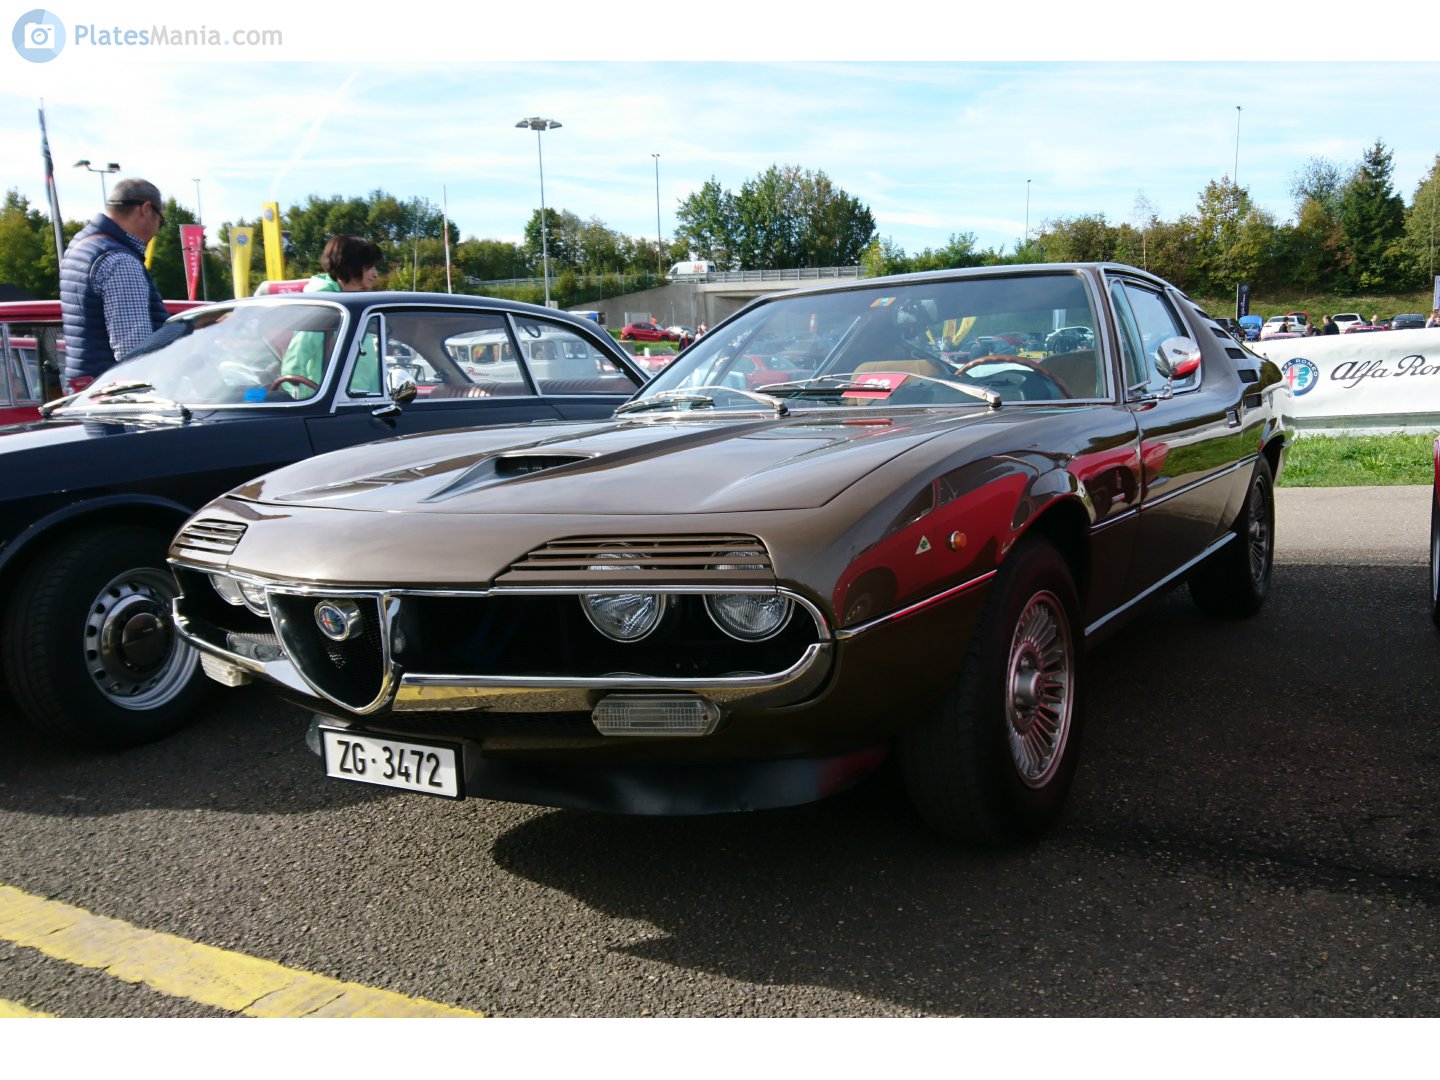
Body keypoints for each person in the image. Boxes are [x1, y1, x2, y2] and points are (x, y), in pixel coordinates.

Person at [58, 178, 169, 394]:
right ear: (146, 209)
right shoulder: (120, 261)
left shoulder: (80, 247)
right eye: (161, 221)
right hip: (118, 402)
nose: (157, 229)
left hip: (86, 392)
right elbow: (135, 353)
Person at [278, 236, 382, 396]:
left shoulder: (355, 307)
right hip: (331, 411)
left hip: (362, 406)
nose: (375, 274)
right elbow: (295, 363)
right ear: (350, 266)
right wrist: (308, 401)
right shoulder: (325, 308)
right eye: (369, 267)